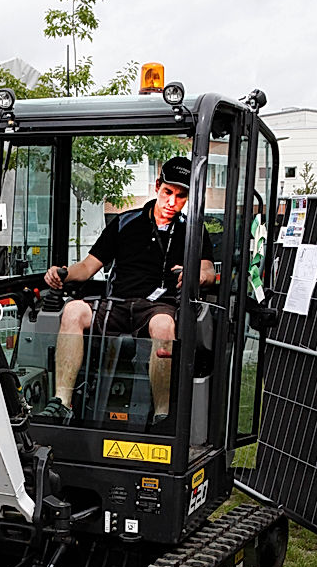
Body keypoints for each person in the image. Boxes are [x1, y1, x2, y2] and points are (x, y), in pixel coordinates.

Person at [40, 156, 216, 425]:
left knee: (164, 326)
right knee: (73, 309)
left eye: (181, 196)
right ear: (157, 185)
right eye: (168, 192)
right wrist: (61, 273)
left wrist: (195, 275)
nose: (172, 202)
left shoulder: (193, 231)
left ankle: (162, 415)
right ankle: (62, 402)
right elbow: (88, 267)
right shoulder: (125, 223)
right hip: (117, 304)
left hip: (158, 306)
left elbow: (208, 272)